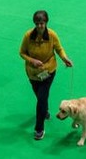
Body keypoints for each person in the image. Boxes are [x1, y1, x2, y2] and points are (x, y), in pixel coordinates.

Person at [18, 10, 72, 142]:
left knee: (41, 99)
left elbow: (59, 49)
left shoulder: (52, 35)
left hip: (49, 71)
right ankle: (45, 111)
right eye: (37, 23)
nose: (40, 26)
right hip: (33, 73)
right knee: (40, 96)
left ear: (46, 22)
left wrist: (65, 58)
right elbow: (22, 53)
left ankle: (39, 129)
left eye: (42, 23)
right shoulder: (28, 36)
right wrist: (32, 61)